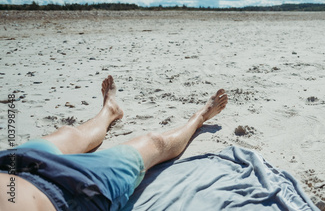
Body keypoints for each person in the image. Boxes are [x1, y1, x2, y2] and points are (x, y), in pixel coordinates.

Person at [0, 75, 228, 211]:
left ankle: (109, 110)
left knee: (70, 133)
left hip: (10, 165)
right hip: (73, 192)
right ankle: (199, 118)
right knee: (153, 142)